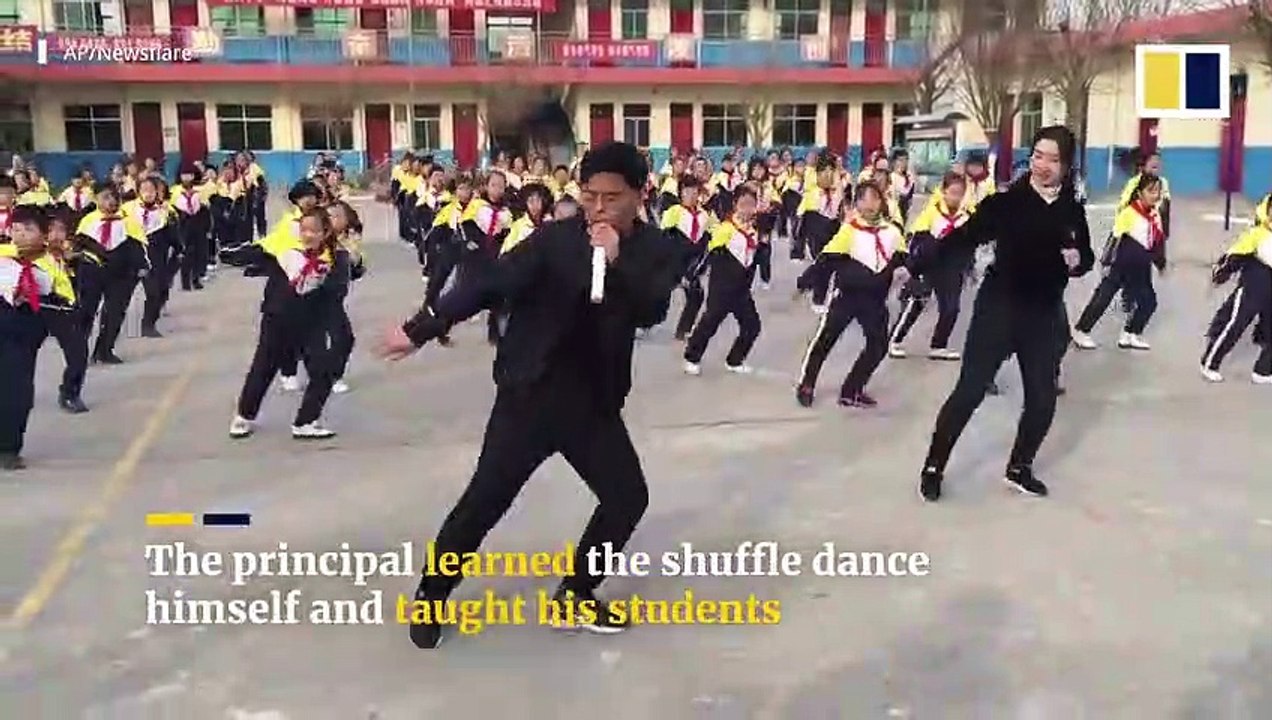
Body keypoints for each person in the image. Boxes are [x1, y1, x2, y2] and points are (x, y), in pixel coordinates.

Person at [378, 142, 681, 649]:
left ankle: (575, 593)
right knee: (485, 501)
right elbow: (487, 280)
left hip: (593, 403)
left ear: (640, 194)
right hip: (530, 395)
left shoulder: (656, 250)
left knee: (627, 497)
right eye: (589, 196)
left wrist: (615, 259)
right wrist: (423, 327)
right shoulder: (553, 241)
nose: (598, 208)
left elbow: (651, 309)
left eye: (611, 197)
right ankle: (431, 596)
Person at [918, 125, 1094, 503]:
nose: (1043, 165)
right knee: (969, 391)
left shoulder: (1071, 209)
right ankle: (934, 465)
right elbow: (964, 237)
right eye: (1038, 156)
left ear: (1066, 164)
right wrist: (922, 263)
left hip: (1043, 313)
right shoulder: (1006, 202)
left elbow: (1088, 256)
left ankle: (1019, 467)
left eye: (1052, 158)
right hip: (999, 307)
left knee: (1043, 399)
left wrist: (1079, 261)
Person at [229, 206, 344, 440]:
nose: (308, 235)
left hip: (310, 322)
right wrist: (234, 256)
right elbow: (257, 255)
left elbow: (339, 288)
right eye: (304, 230)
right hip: (278, 318)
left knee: (322, 370)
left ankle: (306, 420)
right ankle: (244, 415)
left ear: (326, 232)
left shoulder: (335, 257)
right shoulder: (286, 251)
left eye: (314, 231)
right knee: (263, 368)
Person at [795, 183, 909, 408]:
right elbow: (826, 259)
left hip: (875, 299)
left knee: (878, 346)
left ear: (881, 201)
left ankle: (852, 389)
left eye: (874, 199)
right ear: (856, 203)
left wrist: (912, 279)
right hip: (847, 296)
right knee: (826, 339)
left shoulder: (892, 232)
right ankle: (807, 383)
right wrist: (805, 282)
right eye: (864, 199)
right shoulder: (849, 230)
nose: (869, 204)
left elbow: (904, 260)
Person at [1, 206, 77, 469]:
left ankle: (9, 447)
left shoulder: (50, 265)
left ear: (44, 235)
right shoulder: (2, 257)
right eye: (16, 229)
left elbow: (66, 301)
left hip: (23, 337)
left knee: (16, 392)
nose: (20, 235)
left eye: (28, 230)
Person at [1071, 173, 1166, 351]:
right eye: (1151, 191)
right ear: (1139, 193)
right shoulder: (1129, 213)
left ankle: (1130, 334)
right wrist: (1106, 263)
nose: (1156, 195)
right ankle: (1081, 330)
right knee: (1103, 297)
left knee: (1149, 302)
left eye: (1158, 191)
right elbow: (1114, 239)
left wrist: (1160, 263)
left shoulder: (1155, 214)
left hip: (1141, 267)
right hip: (1121, 265)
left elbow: (1157, 241)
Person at [682, 184, 763, 375]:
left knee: (752, 325)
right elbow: (709, 253)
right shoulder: (726, 228)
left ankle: (734, 360)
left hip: (742, 289)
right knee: (710, 322)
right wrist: (694, 274)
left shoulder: (754, 230)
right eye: (743, 204)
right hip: (722, 288)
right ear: (735, 205)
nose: (747, 209)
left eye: (751, 204)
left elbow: (752, 258)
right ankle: (692, 357)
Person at [1201, 210, 1272, 384]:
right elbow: (1236, 255)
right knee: (1236, 324)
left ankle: (1263, 370)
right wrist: (1222, 273)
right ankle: (1210, 363)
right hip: (1255, 283)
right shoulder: (1258, 234)